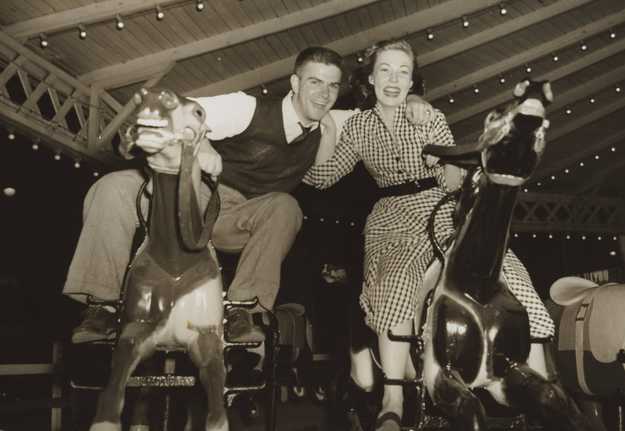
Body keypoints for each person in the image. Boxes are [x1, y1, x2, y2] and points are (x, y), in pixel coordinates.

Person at [64, 46, 434, 344]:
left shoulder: (336, 122)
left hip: (235, 218)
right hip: (187, 192)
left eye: (332, 86)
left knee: (286, 206)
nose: (323, 94)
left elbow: (387, 107)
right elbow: (180, 110)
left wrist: (416, 99)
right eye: (314, 83)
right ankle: (100, 306)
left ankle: (245, 308)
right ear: (294, 82)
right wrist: (202, 140)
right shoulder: (248, 108)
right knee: (112, 188)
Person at [304, 38, 555, 431]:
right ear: (370, 77)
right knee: (397, 275)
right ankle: (393, 397)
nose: (394, 78)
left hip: (439, 207)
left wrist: (443, 158)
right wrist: (327, 126)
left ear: (412, 81)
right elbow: (321, 177)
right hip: (390, 216)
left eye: (404, 71)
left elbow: (449, 179)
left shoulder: (428, 115)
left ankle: (543, 381)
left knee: (500, 264)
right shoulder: (356, 126)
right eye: (385, 69)